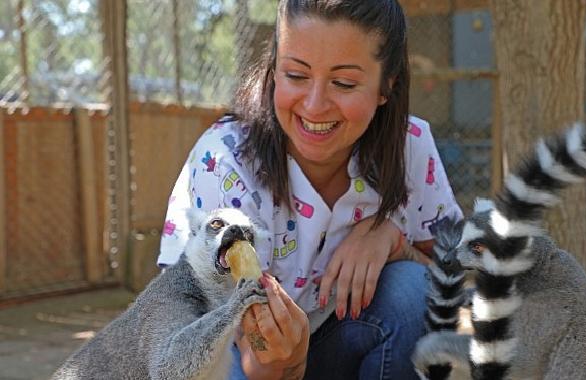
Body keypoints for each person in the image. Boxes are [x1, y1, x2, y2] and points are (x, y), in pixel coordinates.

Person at [158, 1, 462, 379]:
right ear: (273, 71)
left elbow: (453, 283)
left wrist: (391, 240)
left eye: (344, 83)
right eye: (296, 75)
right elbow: (206, 340)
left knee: (414, 294)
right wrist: (275, 362)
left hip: (337, 345)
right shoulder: (224, 163)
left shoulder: (410, 147)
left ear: (388, 84)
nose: (315, 106)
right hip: (231, 356)